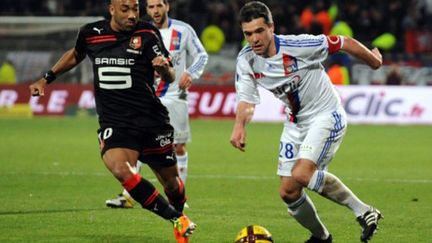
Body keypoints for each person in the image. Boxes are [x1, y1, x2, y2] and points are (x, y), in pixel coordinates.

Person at [29, 1, 196, 242]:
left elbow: (169, 72)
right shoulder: (91, 33)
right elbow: (76, 54)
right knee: (120, 169)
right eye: (125, 9)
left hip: (151, 121)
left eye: (135, 9)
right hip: (115, 123)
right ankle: (176, 219)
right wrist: (47, 79)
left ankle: (179, 217)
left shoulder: (147, 33)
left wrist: (164, 69)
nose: (132, 15)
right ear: (112, 9)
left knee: (171, 184)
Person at [230, 2, 382, 243]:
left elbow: (342, 42)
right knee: (288, 192)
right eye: (248, 33)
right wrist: (240, 126)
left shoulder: (297, 45)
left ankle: (364, 210)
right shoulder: (246, 60)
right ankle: (321, 238)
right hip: (295, 123)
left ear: (271, 27)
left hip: (326, 114)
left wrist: (374, 62)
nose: (254, 39)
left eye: (259, 31)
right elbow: (247, 101)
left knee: (302, 174)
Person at [105, 0, 208, 209]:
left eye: (159, 5)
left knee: (178, 146)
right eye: (150, 7)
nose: (155, 11)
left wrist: (190, 73)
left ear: (167, 6)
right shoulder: (140, 31)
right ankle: (128, 195)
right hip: (146, 98)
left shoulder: (183, 30)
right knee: (137, 145)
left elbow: (201, 55)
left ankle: (179, 197)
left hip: (175, 96)